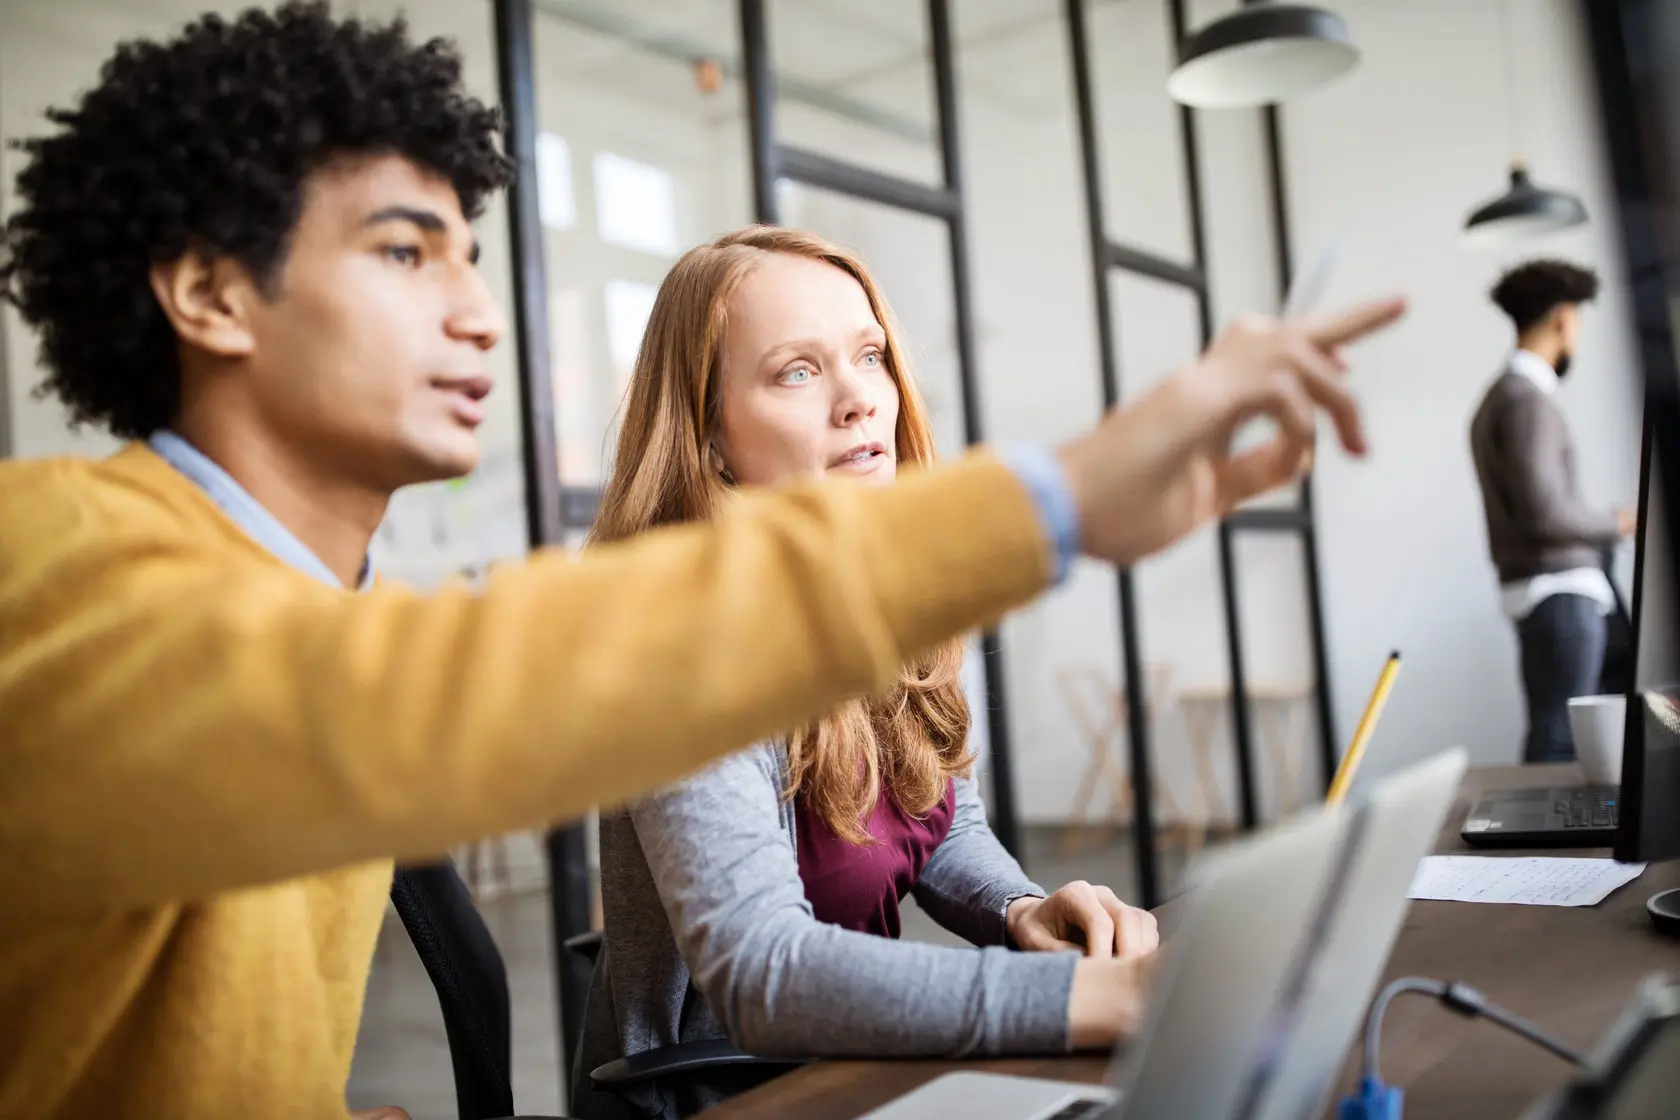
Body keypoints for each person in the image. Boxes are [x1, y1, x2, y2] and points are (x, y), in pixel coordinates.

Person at [0, 4, 1403, 1117]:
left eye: (473, 257)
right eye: (407, 253)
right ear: (208, 293)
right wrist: (1056, 498)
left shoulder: (303, 599)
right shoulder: (56, 562)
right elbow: (452, 685)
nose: (482, 313)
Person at [573, 227, 1159, 1120]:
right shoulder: (682, 641)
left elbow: (940, 824)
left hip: (860, 1068)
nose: (860, 401)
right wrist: (1084, 1000)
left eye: (870, 356)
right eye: (796, 372)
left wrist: (1021, 911)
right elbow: (762, 972)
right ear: (711, 438)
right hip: (730, 1095)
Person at [1469, 259, 1636, 764]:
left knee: (1558, 728)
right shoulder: (1525, 401)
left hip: (1546, 594)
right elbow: (1546, 514)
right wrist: (1618, 522)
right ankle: (1544, 843)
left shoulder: (1501, 398)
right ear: (1564, 319)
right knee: (1560, 734)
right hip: (1561, 595)